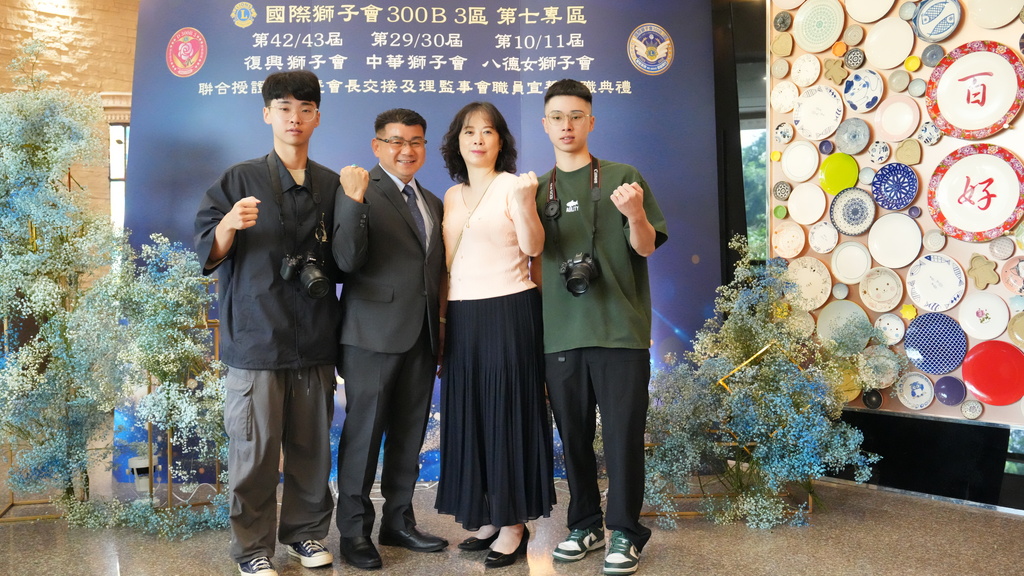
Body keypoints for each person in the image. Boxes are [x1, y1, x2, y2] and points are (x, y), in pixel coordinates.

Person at [194, 70, 339, 576]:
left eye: (305, 109)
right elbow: (207, 249)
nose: (294, 118)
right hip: (256, 341)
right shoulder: (239, 180)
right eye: (284, 108)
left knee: (311, 450)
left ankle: (305, 535)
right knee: (253, 452)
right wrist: (228, 224)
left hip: (315, 338)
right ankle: (253, 548)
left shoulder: (332, 185)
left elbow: (346, 259)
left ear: (317, 117)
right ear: (267, 114)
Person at [534, 79, 668, 576]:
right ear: (545, 124)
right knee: (573, 439)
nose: (566, 125)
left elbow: (645, 247)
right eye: (557, 117)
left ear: (591, 121)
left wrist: (634, 213)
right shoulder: (535, 190)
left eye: (576, 115)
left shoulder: (622, 177)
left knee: (623, 437)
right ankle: (585, 524)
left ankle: (626, 531)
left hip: (619, 331)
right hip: (560, 334)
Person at [433, 101, 555, 568]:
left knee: (507, 414)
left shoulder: (514, 185)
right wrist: (443, 322)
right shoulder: (451, 196)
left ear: (501, 140)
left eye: (488, 131)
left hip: (509, 308)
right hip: (463, 316)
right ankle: (486, 513)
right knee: (472, 415)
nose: (478, 139)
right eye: (469, 131)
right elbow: (449, 266)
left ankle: (513, 524)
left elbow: (534, 246)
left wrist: (524, 203)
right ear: (457, 142)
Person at [332, 108, 448, 570]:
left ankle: (398, 522)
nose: (407, 150)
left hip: (422, 335)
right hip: (370, 336)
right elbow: (345, 260)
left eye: (416, 141)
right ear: (377, 145)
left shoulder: (432, 201)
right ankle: (353, 532)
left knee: (408, 436)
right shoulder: (358, 189)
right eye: (396, 141)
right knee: (363, 437)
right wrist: (353, 200)